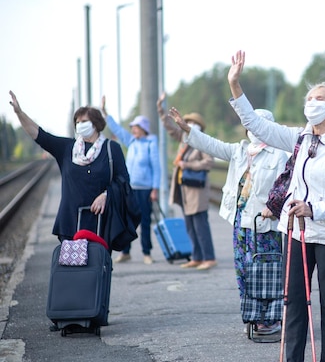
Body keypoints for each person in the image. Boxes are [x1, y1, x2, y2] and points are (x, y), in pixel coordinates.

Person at [228, 50, 325, 362]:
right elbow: (257, 125)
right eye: (309, 99)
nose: (312, 103)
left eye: (319, 99)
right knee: (294, 299)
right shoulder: (300, 138)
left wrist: (314, 208)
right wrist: (235, 85)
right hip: (298, 232)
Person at [166, 102, 288, 332]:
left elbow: (287, 185)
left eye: (259, 126)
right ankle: (251, 313)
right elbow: (211, 145)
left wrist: (276, 206)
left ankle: (270, 318)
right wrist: (187, 129)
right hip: (241, 220)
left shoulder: (280, 154)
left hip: (265, 222)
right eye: (250, 125)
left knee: (266, 269)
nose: (253, 130)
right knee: (243, 268)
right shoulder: (240, 150)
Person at [8, 91, 129, 243]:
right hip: (70, 223)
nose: (79, 125)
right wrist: (20, 113)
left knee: (98, 265)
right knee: (71, 265)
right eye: (77, 122)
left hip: (100, 223)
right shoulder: (67, 148)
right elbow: (39, 135)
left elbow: (123, 179)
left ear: (96, 124)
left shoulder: (112, 148)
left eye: (83, 121)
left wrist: (106, 195)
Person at [157, 95, 217, 270]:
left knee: (200, 226)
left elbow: (209, 162)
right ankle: (197, 257)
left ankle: (209, 257)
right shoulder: (185, 140)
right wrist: (161, 110)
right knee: (190, 226)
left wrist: (188, 164)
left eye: (191, 122)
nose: (188, 125)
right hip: (184, 191)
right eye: (187, 122)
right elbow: (169, 128)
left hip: (196, 191)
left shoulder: (201, 141)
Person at [103, 99, 160, 265]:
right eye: (133, 127)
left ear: (143, 129)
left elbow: (156, 168)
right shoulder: (132, 141)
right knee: (127, 220)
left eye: (136, 127)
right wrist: (106, 114)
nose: (133, 129)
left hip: (145, 189)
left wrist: (155, 189)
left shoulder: (151, 144)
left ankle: (146, 252)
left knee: (145, 222)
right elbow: (118, 130)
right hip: (129, 189)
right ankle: (125, 252)